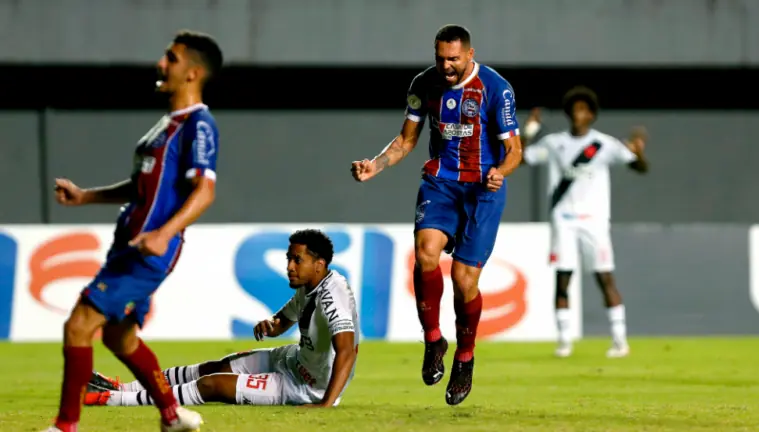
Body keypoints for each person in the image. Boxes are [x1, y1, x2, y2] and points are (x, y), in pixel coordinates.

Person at [43, 30, 223, 432]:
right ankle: (172, 416)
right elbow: (141, 187)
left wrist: (164, 233)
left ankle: (65, 426)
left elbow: (205, 191)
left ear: (193, 73)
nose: (161, 64)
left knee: (79, 324)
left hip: (147, 251)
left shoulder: (199, 124)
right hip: (129, 245)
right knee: (119, 340)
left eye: (170, 59)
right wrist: (86, 196)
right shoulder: (164, 128)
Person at [350, 24, 522, 405]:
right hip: (442, 182)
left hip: (482, 189)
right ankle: (433, 340)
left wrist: (500, 172)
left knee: (464, 280)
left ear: (470, 55)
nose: (446, 66)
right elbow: (406, 139)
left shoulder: (497, 89)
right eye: (440, 58)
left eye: (453, 59)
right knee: (425, 252)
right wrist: (376, 165)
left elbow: (514, 150)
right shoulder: (423, 85)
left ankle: (465, 357)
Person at [84, 229, 359, 409]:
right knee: (214, 367)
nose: (289, 266)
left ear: (319, 264)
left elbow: (348, 350)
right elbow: (283, 322)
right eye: (289, 258)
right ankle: (121, 386)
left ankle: (110, 399)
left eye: (296, 260)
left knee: (212, 384)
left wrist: (326, 403)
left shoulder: (333, 296)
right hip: (292, 359)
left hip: (305, 386)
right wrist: (271, 325)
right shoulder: (308, 286)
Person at [520, 86, 649, 359]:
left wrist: (639, 153)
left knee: (605, 277)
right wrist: (529, 131)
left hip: (595, 221)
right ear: (569, 114)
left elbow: (638, 167)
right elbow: (520, 158)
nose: (579, 114)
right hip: (563, 219)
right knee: (563, 278)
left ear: (591, 115)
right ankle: (564, 341)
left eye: (584, 110)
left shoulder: (604, 144)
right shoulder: (554, 143)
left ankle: (619, 340)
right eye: (574, 109)